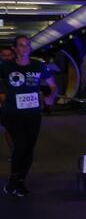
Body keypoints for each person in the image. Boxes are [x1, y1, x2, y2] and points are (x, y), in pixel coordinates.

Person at [0, 35, 57, 196]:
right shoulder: (6, 66)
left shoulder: (39, 66)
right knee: (21, 145)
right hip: (12, 113)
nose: (24, 48)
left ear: (30, 49)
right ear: (15, 49)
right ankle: (13, 177)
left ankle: (21, 181)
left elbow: (53, 85)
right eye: (21, 45)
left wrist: (51, 96)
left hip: (33, 113)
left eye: (27, 45)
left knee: (29, 148)